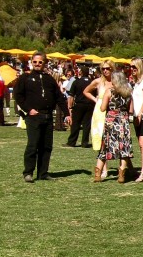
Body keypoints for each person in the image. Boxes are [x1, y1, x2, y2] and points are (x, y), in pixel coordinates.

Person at [13, 51, 70, 182]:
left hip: (48, 116)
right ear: (31, 63)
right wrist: (28, 110)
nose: (37, 64)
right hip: (33, 117)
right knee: (33, 145)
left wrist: (67, 113)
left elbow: (59, 97)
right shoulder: (25, 78)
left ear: (45, 63)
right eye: (35, 62)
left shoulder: (49, 79)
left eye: (40, 62)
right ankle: (28, 173)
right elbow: (18, 96)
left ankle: (43, 173)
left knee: (46, 146)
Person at [94, 67, 133, 183]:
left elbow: (102, 108)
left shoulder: (109, 91)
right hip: (123, 121)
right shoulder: (128, 93)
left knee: (105, 147)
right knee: (124, 147)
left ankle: (98, 174)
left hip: (111, 122)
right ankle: (122, 173)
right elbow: (131, 110)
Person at [65, 65, 93, 147]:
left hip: (79, 105)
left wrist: (70, 107)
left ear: (81, 72)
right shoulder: (92, 82)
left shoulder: (76, 82)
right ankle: (85, 142)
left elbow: (71, 95)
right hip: (90, 105)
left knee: (76, 124)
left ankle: (72, 142)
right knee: (87, 124)